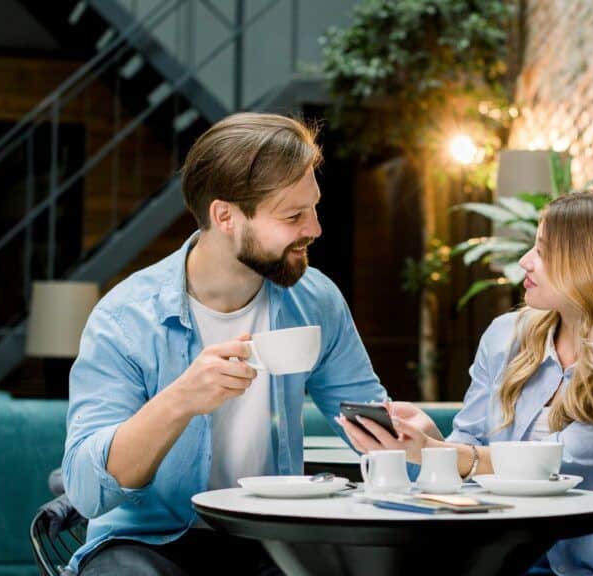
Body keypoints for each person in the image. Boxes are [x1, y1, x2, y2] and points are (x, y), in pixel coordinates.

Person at [62, 113, 391, 575]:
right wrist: (181, 400)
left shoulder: (315, 300)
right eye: (293, 215)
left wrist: (432, 453)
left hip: (269, 537)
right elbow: (85, 489)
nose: (314, 229)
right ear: (225, 216)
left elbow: (373, 424)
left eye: (313, 208)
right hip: (146, 542)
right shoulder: (125, 319)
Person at [338, 191, 593, 576]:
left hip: (580, 565)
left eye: (543, 251)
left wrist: (435, 450)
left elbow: (557, 461)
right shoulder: (504, 335)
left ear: (591, 265)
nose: (525, 261)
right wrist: (427, 437)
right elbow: (470, 445)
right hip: (487, 553)